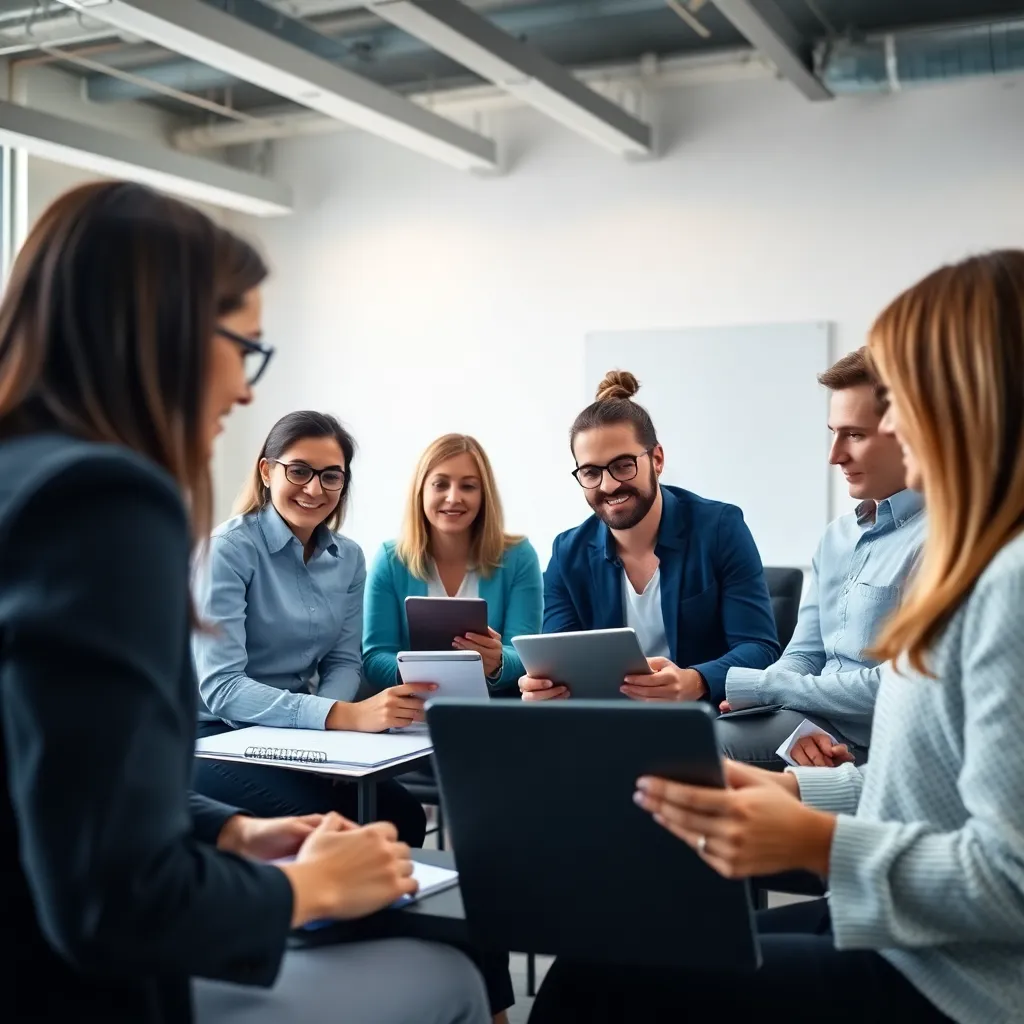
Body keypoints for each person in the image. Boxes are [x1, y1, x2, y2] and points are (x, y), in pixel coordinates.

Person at [0, 180, 489, 1024]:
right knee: (453, 976)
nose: (245, 389)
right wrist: (300, 890)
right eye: (244, 347)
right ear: (165, 332)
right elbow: (113, 904)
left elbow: (49, 777)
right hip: (68, 985)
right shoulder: (107, 500)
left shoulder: (25, 476)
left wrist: (230, 834)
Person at [529, 250, 1024, 1023]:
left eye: (901, 400)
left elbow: (1011, 878)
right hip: (901, 927)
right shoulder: (973, 567)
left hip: (954, 981)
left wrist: (813, 842)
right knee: (608, 962)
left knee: (589, 988)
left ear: (979, 398)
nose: (885, 427)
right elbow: (918, 791)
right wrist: (795, 791)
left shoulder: (1008, 585)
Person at [192, 411, 427, 846]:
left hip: (298, 735)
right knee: (331, 830)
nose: (314, 489)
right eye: (299, 471)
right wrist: (342, 716)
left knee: (402, 818)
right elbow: (222, 688)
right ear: (267, 471)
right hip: (213, 737)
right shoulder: (226, 551)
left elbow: (343, 660)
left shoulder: (349, 558)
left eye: (331, 476)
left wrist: (333, 737)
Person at [716, 348, 926, 768]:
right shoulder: (837, 537)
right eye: (833, 432)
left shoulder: (940, 541)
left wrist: (771, 691)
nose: (834, 455)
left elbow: (905, 688)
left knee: (707, 746)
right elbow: (805, 654)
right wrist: (796, 721)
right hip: (813, 723)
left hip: (883, 743)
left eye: (855, 434)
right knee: (691, 737)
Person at [520, 370, 779, 705]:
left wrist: (696, 680)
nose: (608, 485)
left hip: (702, 719)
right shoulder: (567, 553)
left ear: (656, 459)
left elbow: (760, 649)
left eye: (623, 465)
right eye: (590, 472)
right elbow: (556, 660)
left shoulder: (719, 528)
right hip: (607, 725)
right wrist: (543, 688)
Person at [363, 433, 543, 697]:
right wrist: (421, 674)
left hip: (495, 714)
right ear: (421, 490)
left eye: (468, 486)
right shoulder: (390, 559)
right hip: (413, 714)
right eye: (440, 484)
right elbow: (375, 655)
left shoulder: (519, 556)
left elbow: (525, 654)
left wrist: (498, 662)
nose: (453, 498)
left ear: (484, 495)